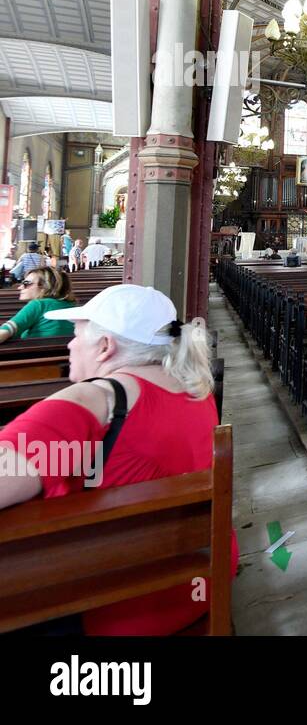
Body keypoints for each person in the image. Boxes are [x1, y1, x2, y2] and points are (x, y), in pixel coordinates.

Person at [0, 283, 236, 634]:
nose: (68, 343)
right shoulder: (196, 391)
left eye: (77, 335)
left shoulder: (90, 403)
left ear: (106, 346)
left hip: (109, 610)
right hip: (195, 589)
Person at [0, 268, 78, 342]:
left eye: (26, 283)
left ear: (45, 286)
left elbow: (4, 332)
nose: (20, 287)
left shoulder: (39, 305)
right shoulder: (72, 306)